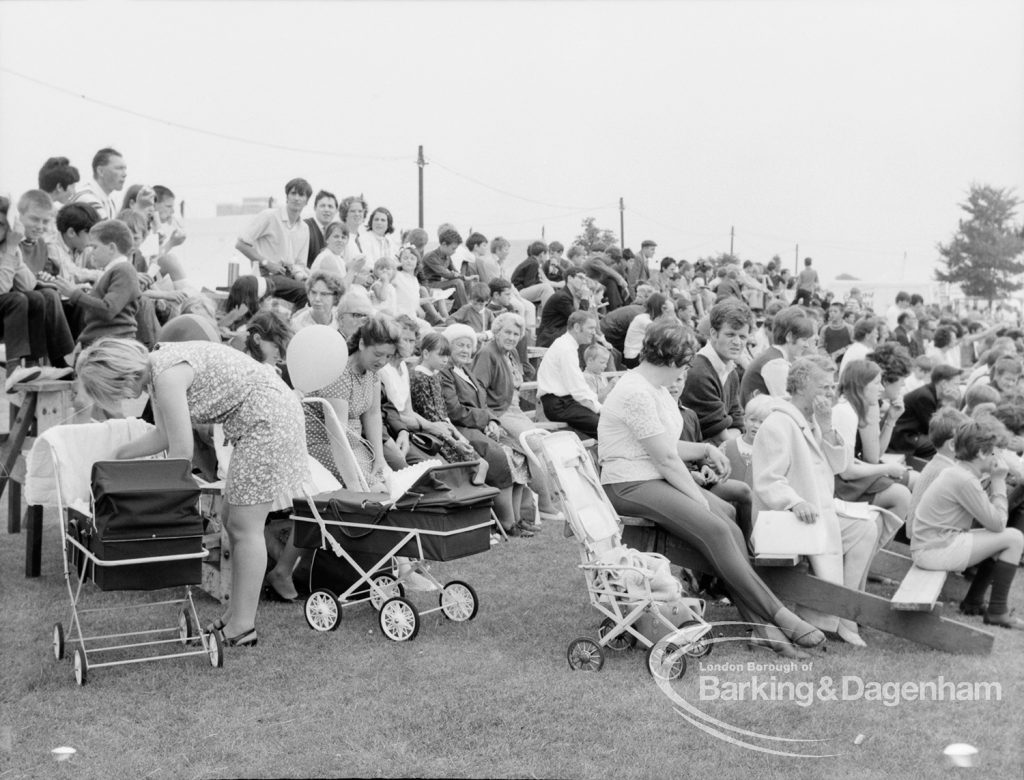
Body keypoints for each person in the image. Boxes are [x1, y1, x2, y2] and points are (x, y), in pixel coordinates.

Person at [600, 320, 826, 659]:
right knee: (716, 527)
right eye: (687, 361)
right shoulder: (635, 391)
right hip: (628, 483)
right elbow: (664, 458)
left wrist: (706, 450)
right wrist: (696, 498)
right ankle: (779, 617)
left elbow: (667, 447)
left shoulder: (654, 388)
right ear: (677, 359)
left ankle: (763, 630)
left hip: (650, 476)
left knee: (729, 516)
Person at [76, 337, 308, 647]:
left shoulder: (165, 375)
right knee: (232, 519)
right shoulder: (158, 369)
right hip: (264, 416)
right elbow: (163, 435)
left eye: (113, 391)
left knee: (244, 526)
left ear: (121, 375)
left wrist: (156, 493)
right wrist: (118, 457)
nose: (119, 397)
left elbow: (182, 450)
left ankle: (243, 625)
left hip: (268, 420)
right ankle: (237, 614)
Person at [752, 355, 881, 647]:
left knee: (866, 529)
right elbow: (768, 480)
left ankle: (843, 614)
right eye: (824, 386)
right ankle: (833, 616)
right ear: (800, 387)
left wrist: (826, 424)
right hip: (788, 519)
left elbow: (838, 465)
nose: (830, 392)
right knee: (850, 532)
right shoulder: (778, 423)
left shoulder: (814, 419)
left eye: (832, 386)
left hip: (818, 514)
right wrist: (794, 502)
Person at [911, 420, 1024, 629]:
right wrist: (999, 480)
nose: (1000, 457)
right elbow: (998, 523)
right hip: (933, 551)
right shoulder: (963, 479)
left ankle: (976, 602)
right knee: (1014, 538)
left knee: (1008, 537)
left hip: (934, 545)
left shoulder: (960, 472)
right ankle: (997, 611)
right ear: (982, 453)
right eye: (997, 451)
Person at [436, 324, 533, 536]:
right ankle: (506, 523)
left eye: (468, 346)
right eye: (459, 345)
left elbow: (483, 403)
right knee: (499, 456)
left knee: (518, 451)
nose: (464, 350)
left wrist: (492, 421)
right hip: (461, 427)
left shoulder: (466, 370)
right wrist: (485, 420)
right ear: (448, 347)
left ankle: (517, 518)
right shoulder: (446, 373)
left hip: (478, 425)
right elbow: (455, 411)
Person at [305, 315, 398, 494]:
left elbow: (373, 414)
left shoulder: (373, 371)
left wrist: (379, 458)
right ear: (362, 344)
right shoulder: (340, 373)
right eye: (378, 354)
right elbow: (337, 435)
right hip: (321, 443)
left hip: (353, 444)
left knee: (390, 485)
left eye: (388, 356)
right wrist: (356, 486)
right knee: (376, 490)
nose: (383, 361)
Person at [831, 359, 912, 533]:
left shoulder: (853, 408)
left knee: (903, 492)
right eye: (876, 383)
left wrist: (891, 420)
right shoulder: (845, 412)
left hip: (847, 478)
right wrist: (887, 468)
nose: (881, 389)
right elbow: (848, 470)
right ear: (861, 385)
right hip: (838, 485)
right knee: (902, 495)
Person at [50, 218, 141, 348]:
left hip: (112, 345)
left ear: (111, 248)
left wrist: (74, 294)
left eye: (95, 247)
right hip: (101, 342)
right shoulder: (113, 270)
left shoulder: (124, 270)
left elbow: (108, 310)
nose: (91, 252)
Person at [680, 298, 751, 443]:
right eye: (730, 334)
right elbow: (721, 437)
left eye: (742, 336)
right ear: (713, 333)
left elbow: (738, 421)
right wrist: (739, 435)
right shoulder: (698, 372)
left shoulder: (730, 370)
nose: (737, 342)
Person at [234, 178, 312, 307]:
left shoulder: (304, 228)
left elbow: (300, 264)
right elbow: (241, 244)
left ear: (307, 201)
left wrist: (302, 276)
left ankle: (293, 321)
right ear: (287, 196)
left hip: (288, 276)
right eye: (293, 193)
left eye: (301, 195)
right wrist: (267, 263)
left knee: (317, 291)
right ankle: (292, 323)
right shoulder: (269, 216)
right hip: (266, 275)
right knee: (305, 291)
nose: (296, 198)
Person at [537, 311, 602, 439]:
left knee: (607, 424)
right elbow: (578, 389)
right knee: (606, 428)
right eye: (591, 328)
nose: (594, 332)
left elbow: (579, 387)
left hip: (564, 402)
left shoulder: (567, 344)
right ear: (577, 327)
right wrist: (600, 409)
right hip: (558, 405)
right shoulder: (566, 348)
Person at [739, 305, 816, 407]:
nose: (806, 345)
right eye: (804, 340)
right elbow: (790, 406)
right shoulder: (775, 364)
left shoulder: (773, 356)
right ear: (789, 337)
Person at [890, 363, 964, 459]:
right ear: (944, 384)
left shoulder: (931, 393)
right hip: (905, 438)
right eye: (955, 384)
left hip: (914, 434)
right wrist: (947, 403)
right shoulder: (925, 396)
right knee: (945, 445)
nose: (957, 388)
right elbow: (935, 429)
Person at [536, 266, 592, 348]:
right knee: (580, 330)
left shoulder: (568, 295)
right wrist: (584, 298)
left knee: (587, 332)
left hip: (558, 333)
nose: (583, 282)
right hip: (549, 337)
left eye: (584, 279)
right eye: (580, 278)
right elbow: (579, 319)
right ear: (570, 278)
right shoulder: (562, 297)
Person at [70, 148, 126, 220]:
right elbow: (108, 230)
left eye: (125, 169)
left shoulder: (109, 200)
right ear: (100, 171)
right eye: (119, 168)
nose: (125, 174)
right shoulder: (87, 198)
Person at [622, 292, 674, 368]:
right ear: (661, 308)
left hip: (638, 355)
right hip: (634, 358)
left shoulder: (650, 319)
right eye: (665, 309)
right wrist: (670, 313)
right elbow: (664, 334)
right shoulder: (643, 319)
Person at [419, 227, 468, 309]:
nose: (454, 251)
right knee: (457, 282)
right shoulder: (431, 256)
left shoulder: (447, 256)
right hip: (428, 284)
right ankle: (466, 310)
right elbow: (447, 274)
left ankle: (456, 310)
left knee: (464, 281)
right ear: (444, 244)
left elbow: (455, 271)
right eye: (453, 248)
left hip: (438, 283)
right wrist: (459, 276)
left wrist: (464, 277)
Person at [510, 241, 556, 307]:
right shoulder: (534, 263)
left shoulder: (531, 260)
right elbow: (529, 284)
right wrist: (541, 283)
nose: (547, 257)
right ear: (542, 254)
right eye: (546, 255)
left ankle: (544, 314)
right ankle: (548, 315)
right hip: (517, 292)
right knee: (547, 288)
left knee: (547, 290)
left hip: (517, 291)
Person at [837, 316, 879, 380]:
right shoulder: (864, 352)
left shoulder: (857, 347)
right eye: (875, 333)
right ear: (867, 336)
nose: (877, 335)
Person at [305, 190, 338, 267]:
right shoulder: (305, 227)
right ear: (315, 208)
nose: (326, 210)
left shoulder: (335, 233)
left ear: (336, 210)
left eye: (330, 206)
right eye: (322, 206)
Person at [819, 300, 853, 365]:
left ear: (842, 314)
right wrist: (827, 357)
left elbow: (854, 344)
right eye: (830, 311)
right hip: (829, 362)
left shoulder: (850, 328)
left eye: (835, 311)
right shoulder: (824, 329)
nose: (832, 313)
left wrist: (840, 352)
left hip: (845, 362)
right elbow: (820, 346)